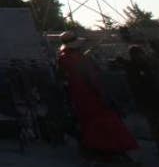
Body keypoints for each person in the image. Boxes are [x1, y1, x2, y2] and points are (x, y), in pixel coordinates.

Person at [55, 31, 138, 161]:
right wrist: (104, 94)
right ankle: (112, 148)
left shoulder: (62, 59)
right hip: (91, 95)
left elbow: (61, 78)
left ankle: (95, 148)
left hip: (77, 96)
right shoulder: (82, 59)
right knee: (104, 120)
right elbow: (92, 78)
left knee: (88, 122)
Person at [123, 44, 159, 161]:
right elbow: (136, 85)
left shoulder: (144, 65)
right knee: (155, 123)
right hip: (147, 99)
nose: (142, 55)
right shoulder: (134, 68)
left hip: (155, 97)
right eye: (139, 54)